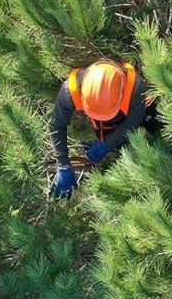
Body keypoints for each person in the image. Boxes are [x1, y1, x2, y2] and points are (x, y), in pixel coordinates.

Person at [49, 59, 158, 198]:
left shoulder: (136, 87)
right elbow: (57, 125)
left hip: (132, 112)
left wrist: (107, 145)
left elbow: (134, 121)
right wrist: (63, 165)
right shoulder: (70, 89)